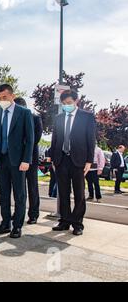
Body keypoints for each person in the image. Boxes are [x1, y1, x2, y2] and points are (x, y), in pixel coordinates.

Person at [0, 84, 34, 239]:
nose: (1, 100)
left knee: (19, 194)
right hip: (1, 160)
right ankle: (5, 223)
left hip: (18, 161)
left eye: (4, 97)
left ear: (12, 96)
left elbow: (30, 139)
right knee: (3, 194)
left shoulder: (24, 113)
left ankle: (17, 226)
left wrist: (26, 160)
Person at [50, 90, 96, 236]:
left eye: (69, 103)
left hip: (79, 161)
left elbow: (91, 139)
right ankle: (64, 221)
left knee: (79, 194)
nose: (66, 106)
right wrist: (53, 158)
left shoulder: (87, 117)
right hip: (61, 160)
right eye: (63, 104)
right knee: (63, 193)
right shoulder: (58, 118)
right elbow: (55, 139)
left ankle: (77, 224)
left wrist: (89, 160)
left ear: (76, 101)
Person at [14, 97, 43, 225]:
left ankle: (33, 214)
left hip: (31, 158)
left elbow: (35, 138)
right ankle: (18, 212)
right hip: (16, 159)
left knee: (32, 187)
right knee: (18, 188)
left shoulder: (35, 118)